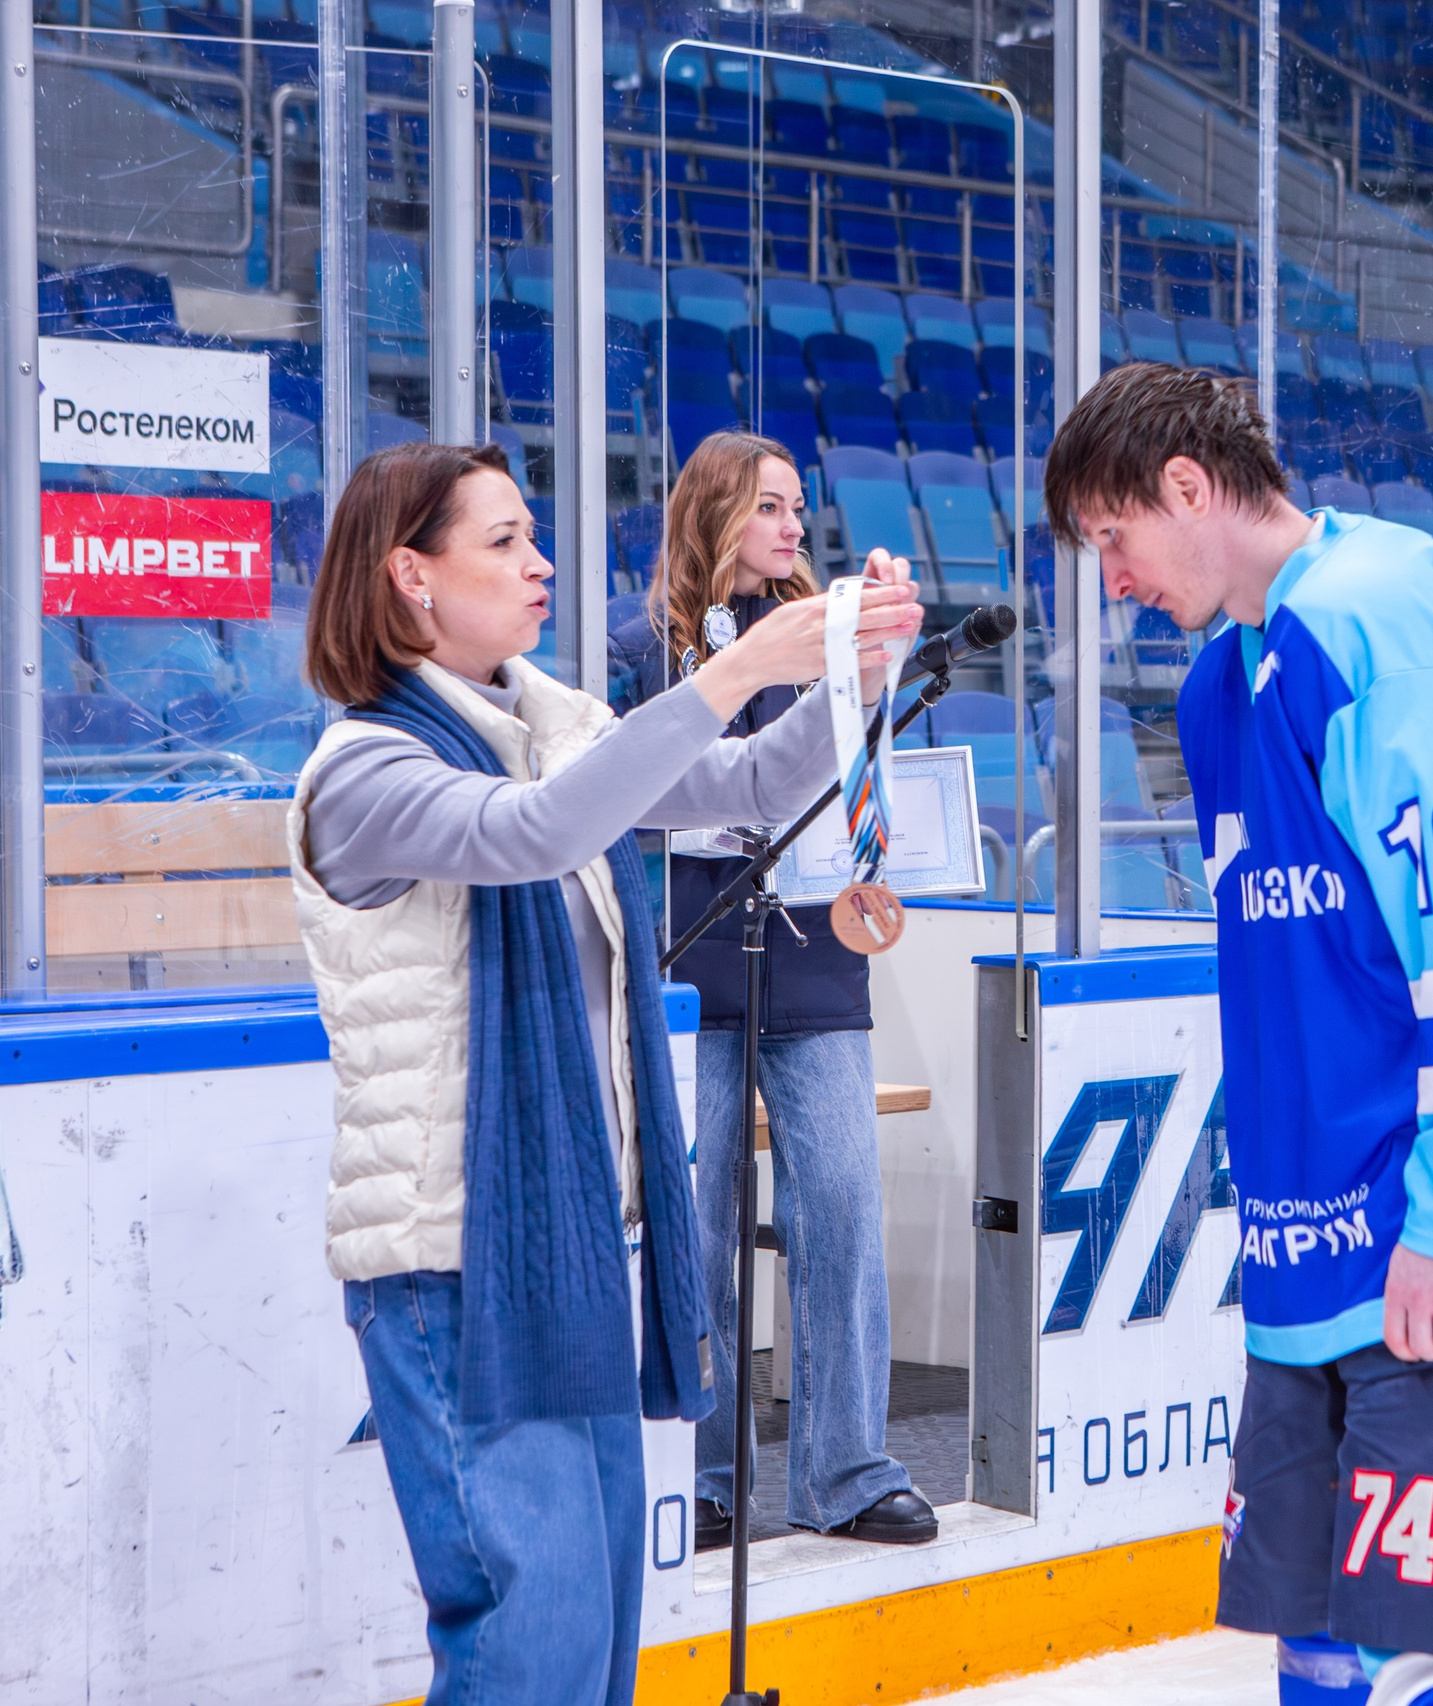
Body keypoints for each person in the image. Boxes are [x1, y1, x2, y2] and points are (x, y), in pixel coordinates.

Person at [1043, 363, 1433, 1706]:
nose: (1111, 580)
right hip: (1327, 1247)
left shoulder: (1385, 619)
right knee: (1325, 1644)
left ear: (1187, 487)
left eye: (1114, 538)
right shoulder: (1225, 679)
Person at [291, 440, 918, 1705]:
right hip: (452, 1268)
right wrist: (732, 667)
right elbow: (533, 835)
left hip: (568, 1247)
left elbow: (740, 783)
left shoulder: (554, 726)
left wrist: (854, 678)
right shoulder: (362, 769)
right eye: (507, 540)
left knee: (591, 1643)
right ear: (410, 575)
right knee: (529, 1638)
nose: (544, 561)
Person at [607, 431, 936, 1551]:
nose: (795, 528)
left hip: (815, 963)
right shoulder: (635, 647)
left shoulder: (838, 647)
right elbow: (602, 800)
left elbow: (866, 781)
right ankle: (699, 1469)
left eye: (800, 509)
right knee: (692, 1231)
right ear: (712, 513)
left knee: (839, 1205)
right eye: (771, 507)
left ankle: (846, 1468)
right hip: (687, 965)